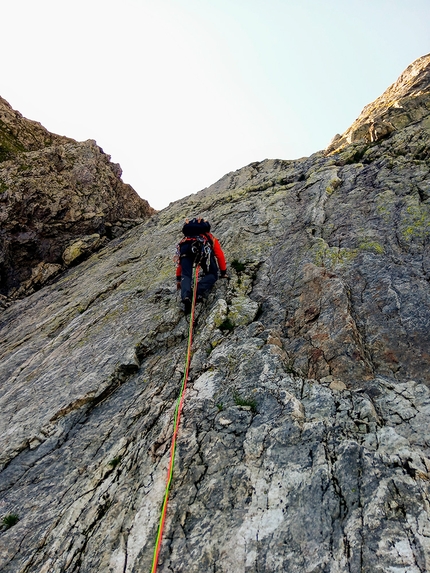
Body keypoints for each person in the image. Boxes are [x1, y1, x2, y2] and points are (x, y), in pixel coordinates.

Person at [175, 218, 227, 313]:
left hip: (186, 249)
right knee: (212, 274)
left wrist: (178, 278)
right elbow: (219, 255)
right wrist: (223, 271)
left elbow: (180, 262)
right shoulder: (209, 237)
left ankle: (186, 296)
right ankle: (196, 290)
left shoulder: (185, 240)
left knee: (186, 275)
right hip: (202, 248)